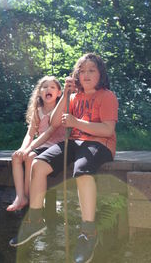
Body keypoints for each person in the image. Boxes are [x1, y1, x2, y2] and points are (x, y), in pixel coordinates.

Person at [9, 53, 118, 263]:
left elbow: (107, 129)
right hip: (74, 143)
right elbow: (55, 122)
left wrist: (77, 123)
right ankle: (35, 219)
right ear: (76, 75)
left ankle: (88, 232)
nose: (86, 74)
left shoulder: (107, 96)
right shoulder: (74, 96)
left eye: (91, 70)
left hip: (99, 143)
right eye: (82, 71)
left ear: (100, 74)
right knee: (38, 164)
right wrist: (66, 93)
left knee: (82, 171)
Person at [6, 75, 65, 212]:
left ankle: (30, 199)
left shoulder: (59, 109)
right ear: (39, 92)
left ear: (59, 93)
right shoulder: (37, 111)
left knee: (31, 157)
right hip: (41, 145)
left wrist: (29, 150)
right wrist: (22, 148)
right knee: (16, 156)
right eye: (44, 87)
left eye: (52, 87)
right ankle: (21, 196)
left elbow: (49, 133)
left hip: (56, 146)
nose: (47, 89)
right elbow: (30, 134)